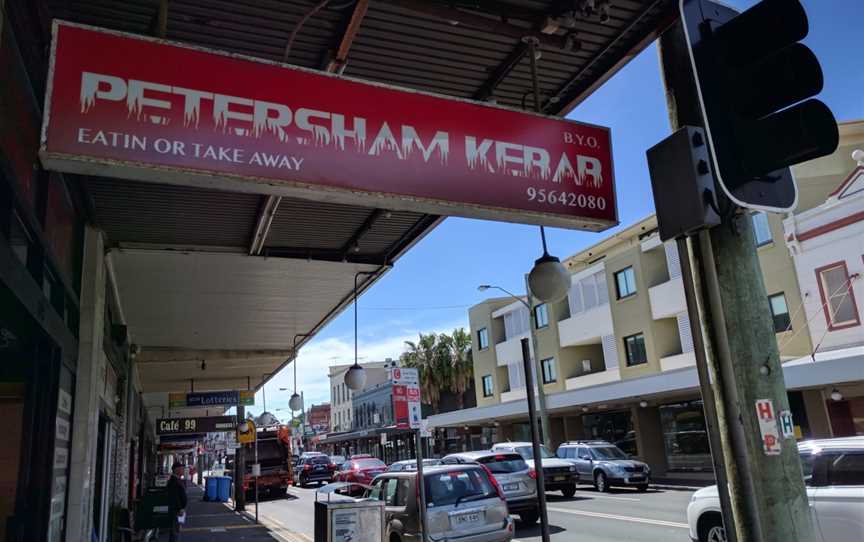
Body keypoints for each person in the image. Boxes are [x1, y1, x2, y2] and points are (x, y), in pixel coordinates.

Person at [165, 462, 188, 542]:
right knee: (175, 530)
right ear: (176, 469)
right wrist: (180, 508)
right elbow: (174, 497)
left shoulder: (177, 479)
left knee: (178, 529)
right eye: (181, 468)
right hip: (177, 510)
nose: (183, 470)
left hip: (180, 510)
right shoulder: (173, 481)